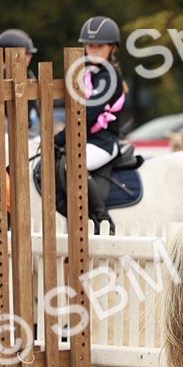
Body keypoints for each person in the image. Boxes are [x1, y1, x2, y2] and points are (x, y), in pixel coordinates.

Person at [53, 15, 126, 230]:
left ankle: (103, 220)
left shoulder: (108, 77)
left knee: (73, 165)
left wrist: (58, 139)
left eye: (99, 46)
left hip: (103, 142)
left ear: (112, 47)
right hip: (85, 139)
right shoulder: (88, 74)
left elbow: (88, 116)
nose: (93, 50)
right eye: (89, 45)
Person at [0, 28, 40, 135]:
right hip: (5, 133)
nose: (30, 56)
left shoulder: (28, 74)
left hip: (24, 131)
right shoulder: (0, 76)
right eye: (27, 53)